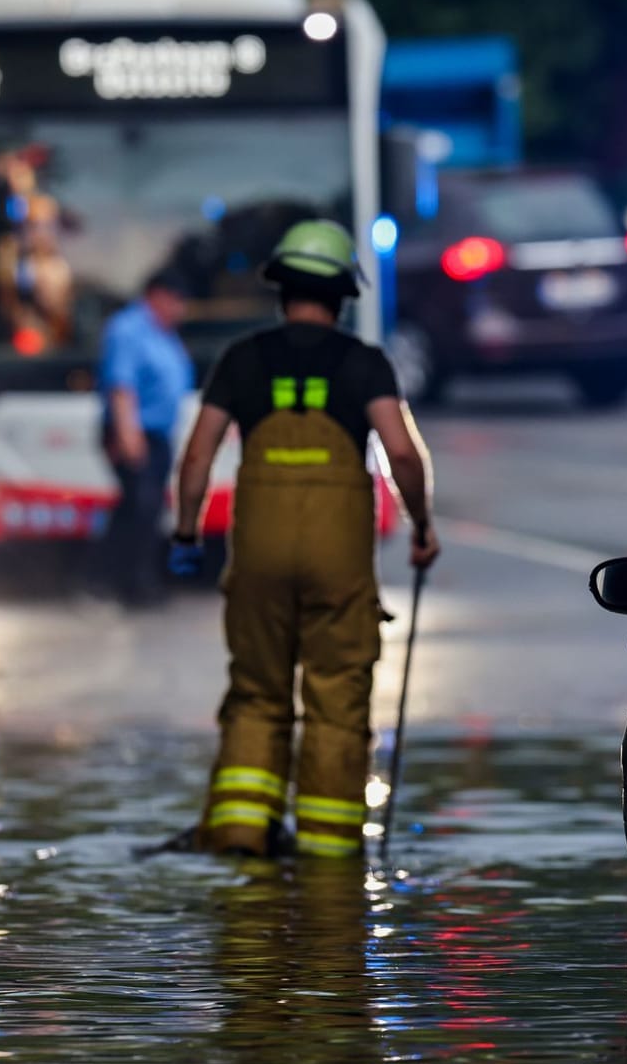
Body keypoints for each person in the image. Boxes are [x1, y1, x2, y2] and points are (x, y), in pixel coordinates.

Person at [168, 220, 441, 859]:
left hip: (257, 554)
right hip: (338, 558)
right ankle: (327, 848)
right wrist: (422, 525)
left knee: (258, 691)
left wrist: (185, 532)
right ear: (345, 294)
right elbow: (401, 452)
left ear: (280, 289)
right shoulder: (365, 362)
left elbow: (197, 458)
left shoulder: (241, 359)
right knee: (337, 696)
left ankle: (239, 830)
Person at [97, 268, 193, 605]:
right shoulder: (129, 330)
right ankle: (132, 585)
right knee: (142, 507)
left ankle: (118, 579)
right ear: (157, 296)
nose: (180, 309)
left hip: (156, 435)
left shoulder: (163, 332)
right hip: (134, 432)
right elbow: (122, 388)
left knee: (143, 509)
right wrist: (129, 436)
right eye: (176, 301)